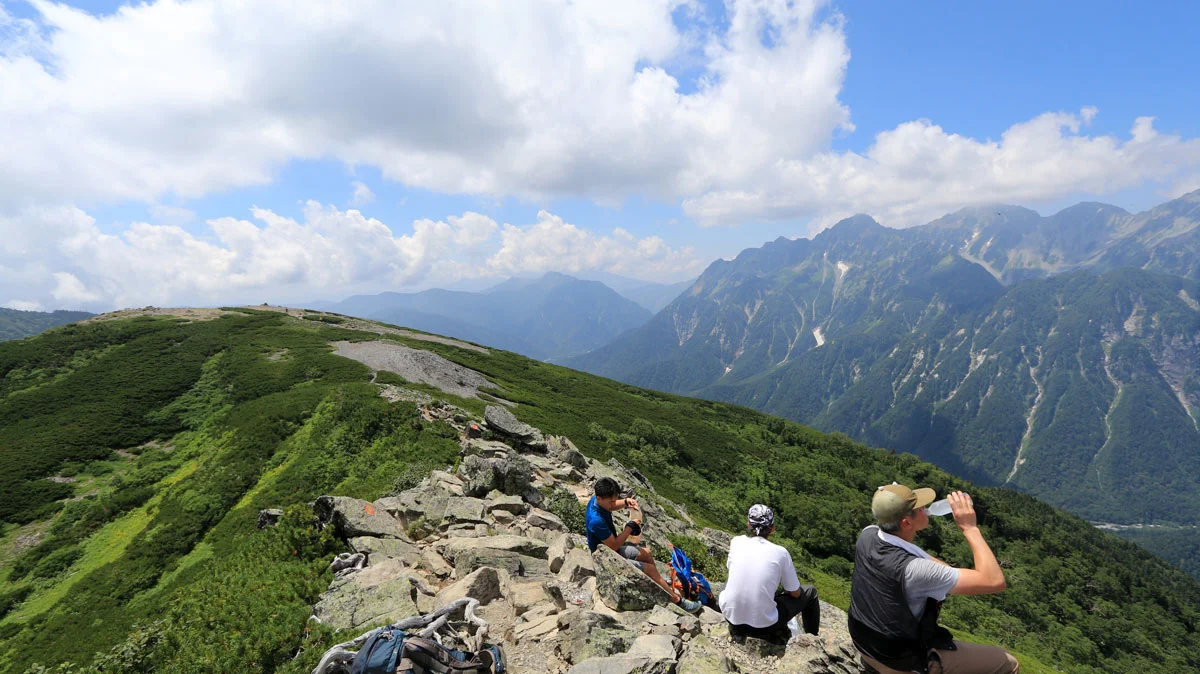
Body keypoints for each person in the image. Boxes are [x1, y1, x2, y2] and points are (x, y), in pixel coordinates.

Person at [848, 483, 1019, 674]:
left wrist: (945, 575)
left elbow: (929, 564)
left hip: (866, 645)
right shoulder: (915, 570)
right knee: (1008, 663)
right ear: (906, 523)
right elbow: (994, 581)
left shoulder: (869, 534)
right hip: (897, 661)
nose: (926, 508)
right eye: (920, 508)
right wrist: (970, 528)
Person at [585, 477, 702, 612]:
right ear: (599, 498)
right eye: (611, 501)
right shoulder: (596, 520)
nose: (613, 503)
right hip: (606, 558)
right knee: (650, 569)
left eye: (614, 499)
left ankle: (657, 582)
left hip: (610, 550)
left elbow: (611, 506)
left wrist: (625, 502)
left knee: (646, 553)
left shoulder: (597, 500)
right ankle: (677, 600)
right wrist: (629, 527)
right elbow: (614, 545)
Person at [719, 504, 820, 644]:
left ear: (748, 524)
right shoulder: (781, 553)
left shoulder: (736, 542)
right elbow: (796, 593)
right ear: (772, 528)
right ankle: (812, 639)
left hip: (732, 619)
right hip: (763, 627)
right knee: (810, 592)